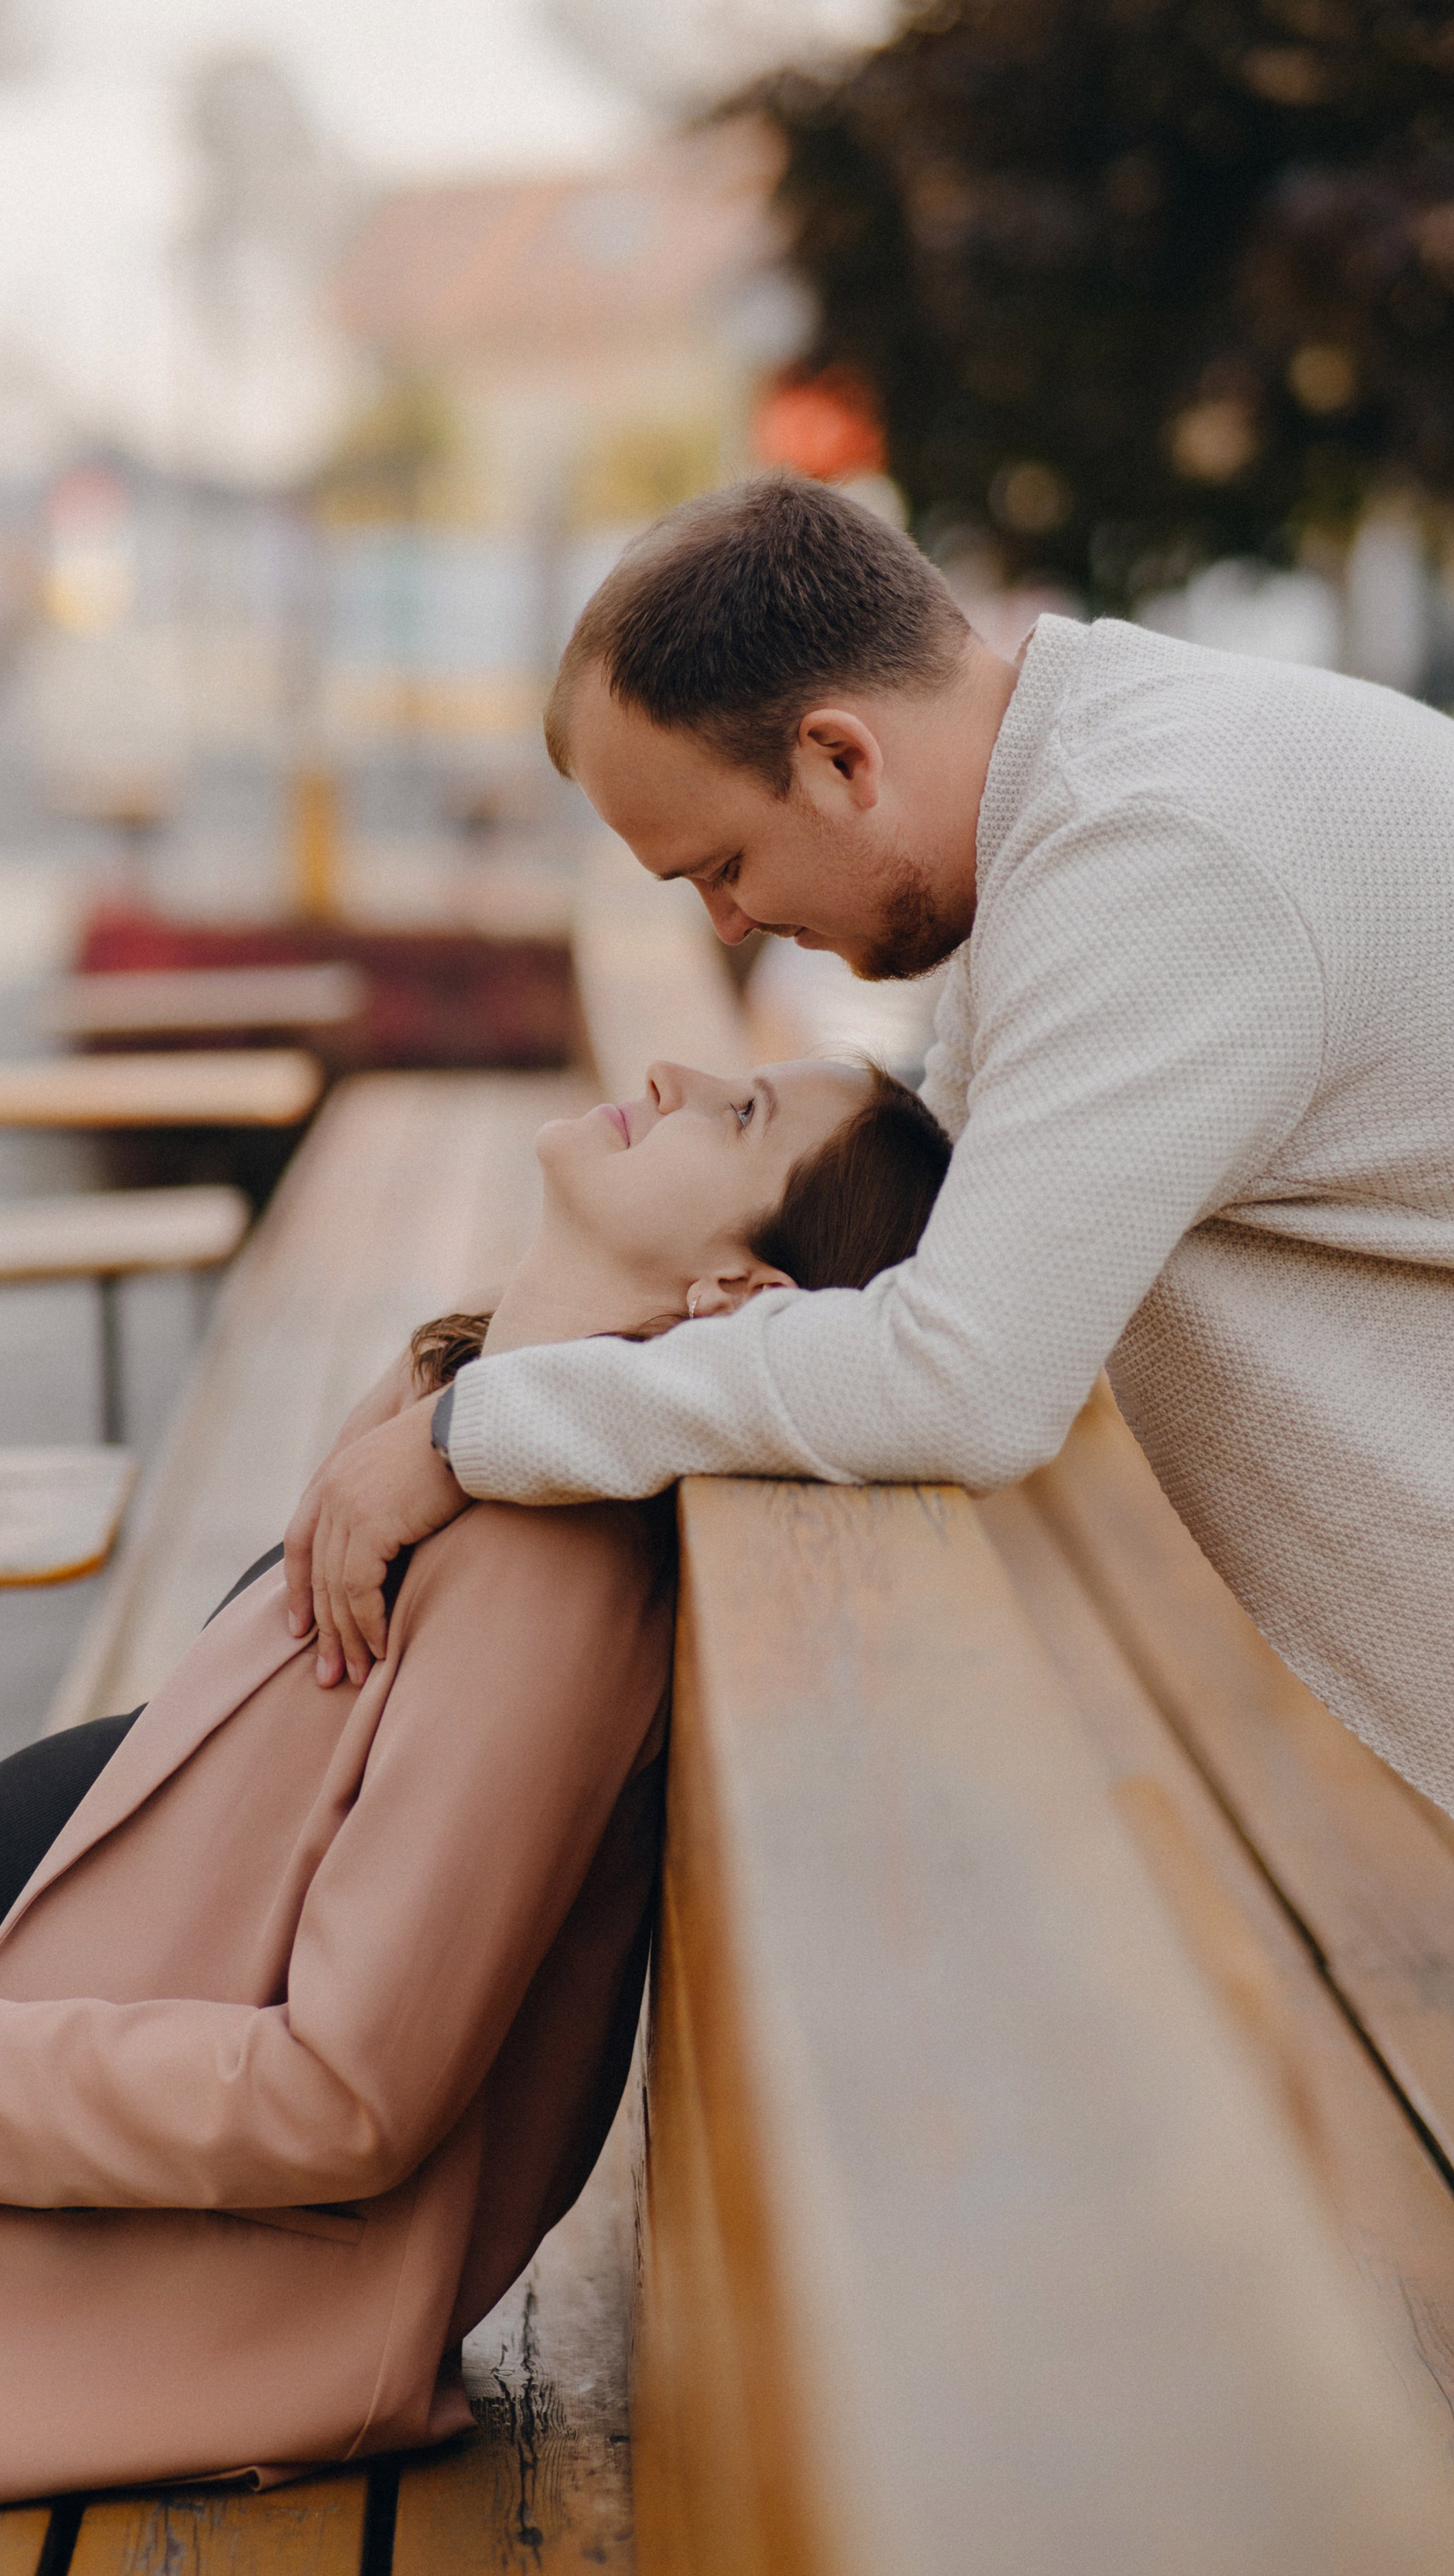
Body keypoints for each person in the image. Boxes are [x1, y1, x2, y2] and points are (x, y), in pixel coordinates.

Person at [0, 1053, 948, 2532]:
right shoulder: (471, 1448)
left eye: (740, 1115)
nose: (674, 1072)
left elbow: (349, 2092)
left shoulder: (553, 1574)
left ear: (735, 1294)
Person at [287, 472, 1454, 1823]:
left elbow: (961, 1375)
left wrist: (472, 1429)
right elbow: (933, 1206)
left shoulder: (1150, 861)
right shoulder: (1086, 793)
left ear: (840, 757)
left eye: (720, 866)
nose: (726, 929)